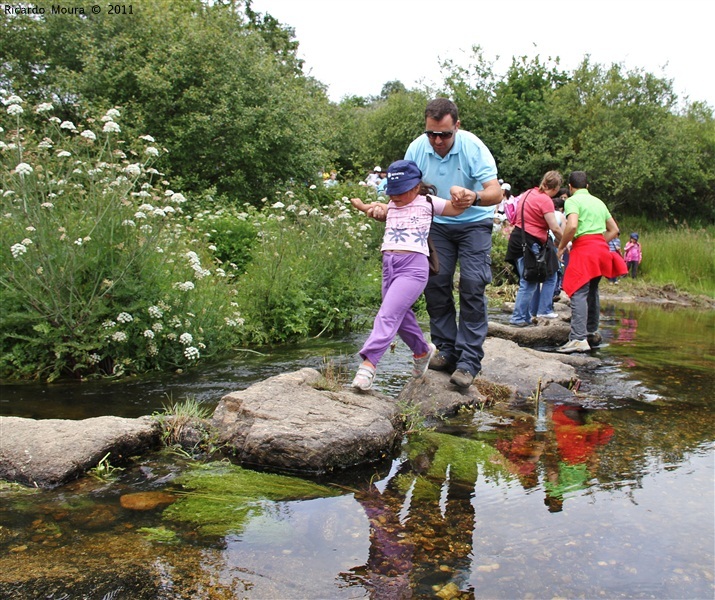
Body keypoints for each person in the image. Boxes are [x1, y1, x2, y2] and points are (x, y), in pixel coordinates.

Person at [348, 160, 474, 390]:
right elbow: (379, 210)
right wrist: (365, 207)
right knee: (400, 315)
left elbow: (456, 209)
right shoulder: (392, 204)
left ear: (416, 187)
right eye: (392, 191)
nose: (395, 195)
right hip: (390, 265)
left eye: (401, 191)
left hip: (413, 267)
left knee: (387, 314)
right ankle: (422, 351)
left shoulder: (427, 202)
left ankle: (368, 365)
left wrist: (461, 194)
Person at [403, 98, 502, 388]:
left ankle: (469, 362)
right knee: (436, 282)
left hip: (474, 222)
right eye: (431, 133)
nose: (437, 141)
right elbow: (405, 187)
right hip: (438, 224)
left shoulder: (473, 147)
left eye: (444, 134)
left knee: (472, 284)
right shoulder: (417, 148)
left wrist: (475, 197)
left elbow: (495, 192)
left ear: (456, 126)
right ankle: (447, 350)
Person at [556, 171, 628, 353]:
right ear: (588, 187)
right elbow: (614, 230)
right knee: (592, 290)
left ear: (570, 188)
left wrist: (562, 246)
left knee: (579, 292)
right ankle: (591, 331)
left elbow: (572, 225)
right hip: (601, 249)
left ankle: (578, 338)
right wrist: (599, 242)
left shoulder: (572, 201)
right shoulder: (599, 202)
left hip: (584, 249)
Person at [504, 171, 564, 326]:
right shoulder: (545, 200)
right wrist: (566, 242)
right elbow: (554, 228)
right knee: (528, 282)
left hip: (517, 239)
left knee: (527, 280)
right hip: (529, 244)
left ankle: (525, 316)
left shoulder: (528, 193)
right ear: (556, 188)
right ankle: (518, 318)